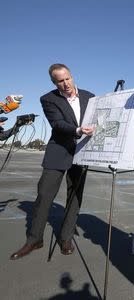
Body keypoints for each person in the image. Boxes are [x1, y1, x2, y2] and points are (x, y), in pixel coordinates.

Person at [10, 63, 95, 260]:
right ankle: (34, 240)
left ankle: (65, 238)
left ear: (72, 76)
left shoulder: (90, 96)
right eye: (60, 81)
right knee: (44, 196)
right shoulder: (48, 99)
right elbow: (57, 124)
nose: (65, 84)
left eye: (67, 79)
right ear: (54, 82)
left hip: (82, 153)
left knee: (75, 197)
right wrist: (79, 130)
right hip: (58, 152)